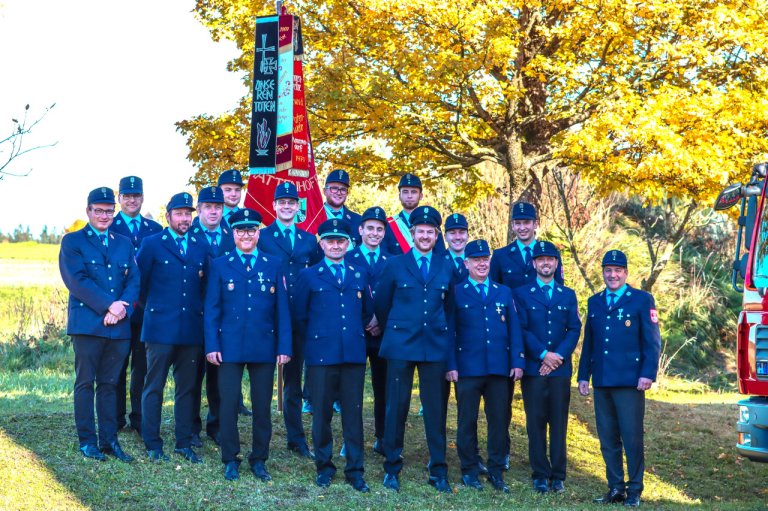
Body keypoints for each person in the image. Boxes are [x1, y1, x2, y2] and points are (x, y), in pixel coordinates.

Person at [203, 208, 292, 482]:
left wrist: (284, 347)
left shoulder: (273, 263)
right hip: (228, 347)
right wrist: (211, 344)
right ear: (233, 233)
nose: (246, 235)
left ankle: (259, 458)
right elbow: (212, 309)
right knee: (228, 404)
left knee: (262, 406)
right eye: (240, 230)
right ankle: (230, 458)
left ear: (258, 233)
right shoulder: (220, 264)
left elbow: (282, 310)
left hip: (263, 346)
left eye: (251, 230)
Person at [375, 206, 456, 493]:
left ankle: (438, 470)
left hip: (434, 347)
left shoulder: (447, 266)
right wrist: (398, 328)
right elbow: (382, 305)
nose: (425, 236)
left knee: (435, 411)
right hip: (400, 345)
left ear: (436, 235)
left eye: (430, 232)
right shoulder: (395, 264)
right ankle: (392, 467)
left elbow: (450, 308)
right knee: (396, 407)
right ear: (412, 234)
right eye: (420, 231)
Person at [59, 186, 139, 462]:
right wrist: (109, 305)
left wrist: (119, 310)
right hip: (87, 325)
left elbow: (134, 281)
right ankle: (87, 442)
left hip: (118, 326)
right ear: (88, 211)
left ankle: (109, 441)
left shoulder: (124, 243)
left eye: (109, 211)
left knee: (110, 384)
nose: (104, 215)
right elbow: (77, 281)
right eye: (99, 210)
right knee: (85, 383)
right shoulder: (73, 242)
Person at [293, 219, 374, 492]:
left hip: (352, 353)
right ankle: (324, 467)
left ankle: (355, 470)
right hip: (321, 355)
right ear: (322, 243)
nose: (336, 245)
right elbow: (301, 316)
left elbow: (366, 312)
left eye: (341, 240)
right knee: (322, 415)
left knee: (353, 415)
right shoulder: (309, 276)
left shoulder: (360, 273)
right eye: (330, 241)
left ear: (349, 243)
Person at [577, 250, 661, 508]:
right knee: (607, 438)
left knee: (631, 437)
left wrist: (648, 374)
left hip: (630, 381)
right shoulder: (595, 301)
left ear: (626, 273)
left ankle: (634, 489)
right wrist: (583, 376)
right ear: (603, 272)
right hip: (603, 380)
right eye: (608, 270)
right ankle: (615, 487)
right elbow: (589, 342)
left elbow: (652, 342)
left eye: (618, 270)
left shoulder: (641, 300)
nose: (612, 275)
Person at [489, 201, 563, 469]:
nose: (522, 227)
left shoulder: (549, 254)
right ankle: (502, 451)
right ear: (512, 226)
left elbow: (559, 295)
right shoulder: (499, 256)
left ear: (535, 224)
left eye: (527, 222)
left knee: (541, 404)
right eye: (517, 223)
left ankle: (545, 461)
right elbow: (493, 292)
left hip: (540, 340)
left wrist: (547, 353)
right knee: (502, 402)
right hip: (507, 337)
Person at [137, 192, 209, 463]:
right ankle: (152, 442)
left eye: (188, 214)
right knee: (153, 386)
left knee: (187, 388)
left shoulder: (201, 246)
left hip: (191, 329)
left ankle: (183, 442)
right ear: (168, 217)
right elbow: (139, 286)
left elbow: (205, 287)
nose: (184, 218)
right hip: (159, 328)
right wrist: (156, 309)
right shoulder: (152, 244)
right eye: (179, 213)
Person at [446, 239, 523, 493]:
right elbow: (451, 332)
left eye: (485, 259)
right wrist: (451, 364)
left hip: (499, 368)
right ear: (466, 263)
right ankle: (469, 469)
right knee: (467, 420)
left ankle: (497, 469)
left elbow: (514, 329)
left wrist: (517, 361)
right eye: (476, 260)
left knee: (499, 421)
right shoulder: (457, 292)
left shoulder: (503, 292)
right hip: (468, 368)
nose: (482, 263)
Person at [257, 181, 321, 459]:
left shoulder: (308, 239)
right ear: (274, 206)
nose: (286, 206)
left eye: (291, 202)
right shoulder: (262, 236)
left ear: (298, 207)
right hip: (265, 316)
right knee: (259, 379)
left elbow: (319, 271)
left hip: (300, 319)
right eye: (281, 202)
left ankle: (296, 438)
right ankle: (256, 436)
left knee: (293, 381)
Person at [513, 241, 581, 494]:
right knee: (536, 422)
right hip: (534, 368)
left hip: (560, 370)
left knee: (559, 422)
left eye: (550, 259)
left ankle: (558, 474)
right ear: (533, 263)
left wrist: (558, 356)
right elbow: (521, 328)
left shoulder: (568, 294)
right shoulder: (521, 293)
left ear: (556, 263)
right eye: (540, 259)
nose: (545, 263)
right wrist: (543, 354)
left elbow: (574, 328)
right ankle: (540, 473)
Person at [109, 176, 161, 433]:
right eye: (127, 196)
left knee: (142, 366)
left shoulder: (155, 229)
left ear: (142, 198)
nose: (131, 200)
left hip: (145, 310)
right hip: (118, 308)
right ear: (119, 198)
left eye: (136, 196)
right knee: (117, 365)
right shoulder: (110, 225)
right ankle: (116, 417)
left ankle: (139, 418)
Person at [189, 185, 237, 447]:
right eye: (208, 207)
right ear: (199, 210)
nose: (213, 211)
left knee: (220, 378)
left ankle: (216, 425)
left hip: (224, 319)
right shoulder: (189, 234)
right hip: (195, 317)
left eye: (218, 207)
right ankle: (192, 427)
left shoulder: (232, 236)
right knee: (193, 377)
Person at [345, 206, 391, 456]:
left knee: (383, 388)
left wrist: (380, 320)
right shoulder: (348, 257)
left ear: (384, 233)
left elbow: (396, 297)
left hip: (383, 334)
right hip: (356, 332)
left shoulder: (392, 261)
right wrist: (366, 319)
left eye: (379, 229)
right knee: (352, 389)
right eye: (370, 228)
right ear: (360, 230)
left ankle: (382, 437)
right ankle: (350, 439)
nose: (374, 233)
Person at [384, 173, 446, 255]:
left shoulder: (433, 223)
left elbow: (440, 255)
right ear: (399, 196)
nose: (409, 196)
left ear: (420, 196)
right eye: (405, 192)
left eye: (414, 192)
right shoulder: (389, 224)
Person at [323, 169, 362, 247]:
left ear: (347, 193)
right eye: (334, 188)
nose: (339, 193)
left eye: (343, 189)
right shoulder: (314, 218)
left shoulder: (358, 220)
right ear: (324, 191)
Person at [444, 213, 469, 281]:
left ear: (468, 236)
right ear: (445, 237)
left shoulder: (476, 260)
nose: (457, 237)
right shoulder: (438, 261)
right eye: (452, 233)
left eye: (462, 232)